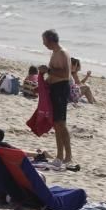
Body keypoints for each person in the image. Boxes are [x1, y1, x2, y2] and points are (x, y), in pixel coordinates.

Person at [39, 29, 74, 167]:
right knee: (56, 123)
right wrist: (42, 85)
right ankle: (60, 155)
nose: (43, 44)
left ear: (50, 40)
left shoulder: (62, 53)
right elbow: (53, 74)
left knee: (61, 123)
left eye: (44, 41)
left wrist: (47, 70)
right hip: (54, 88)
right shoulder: (54, 53)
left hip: (61, 89)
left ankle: (68, 156)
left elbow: (65, 74)